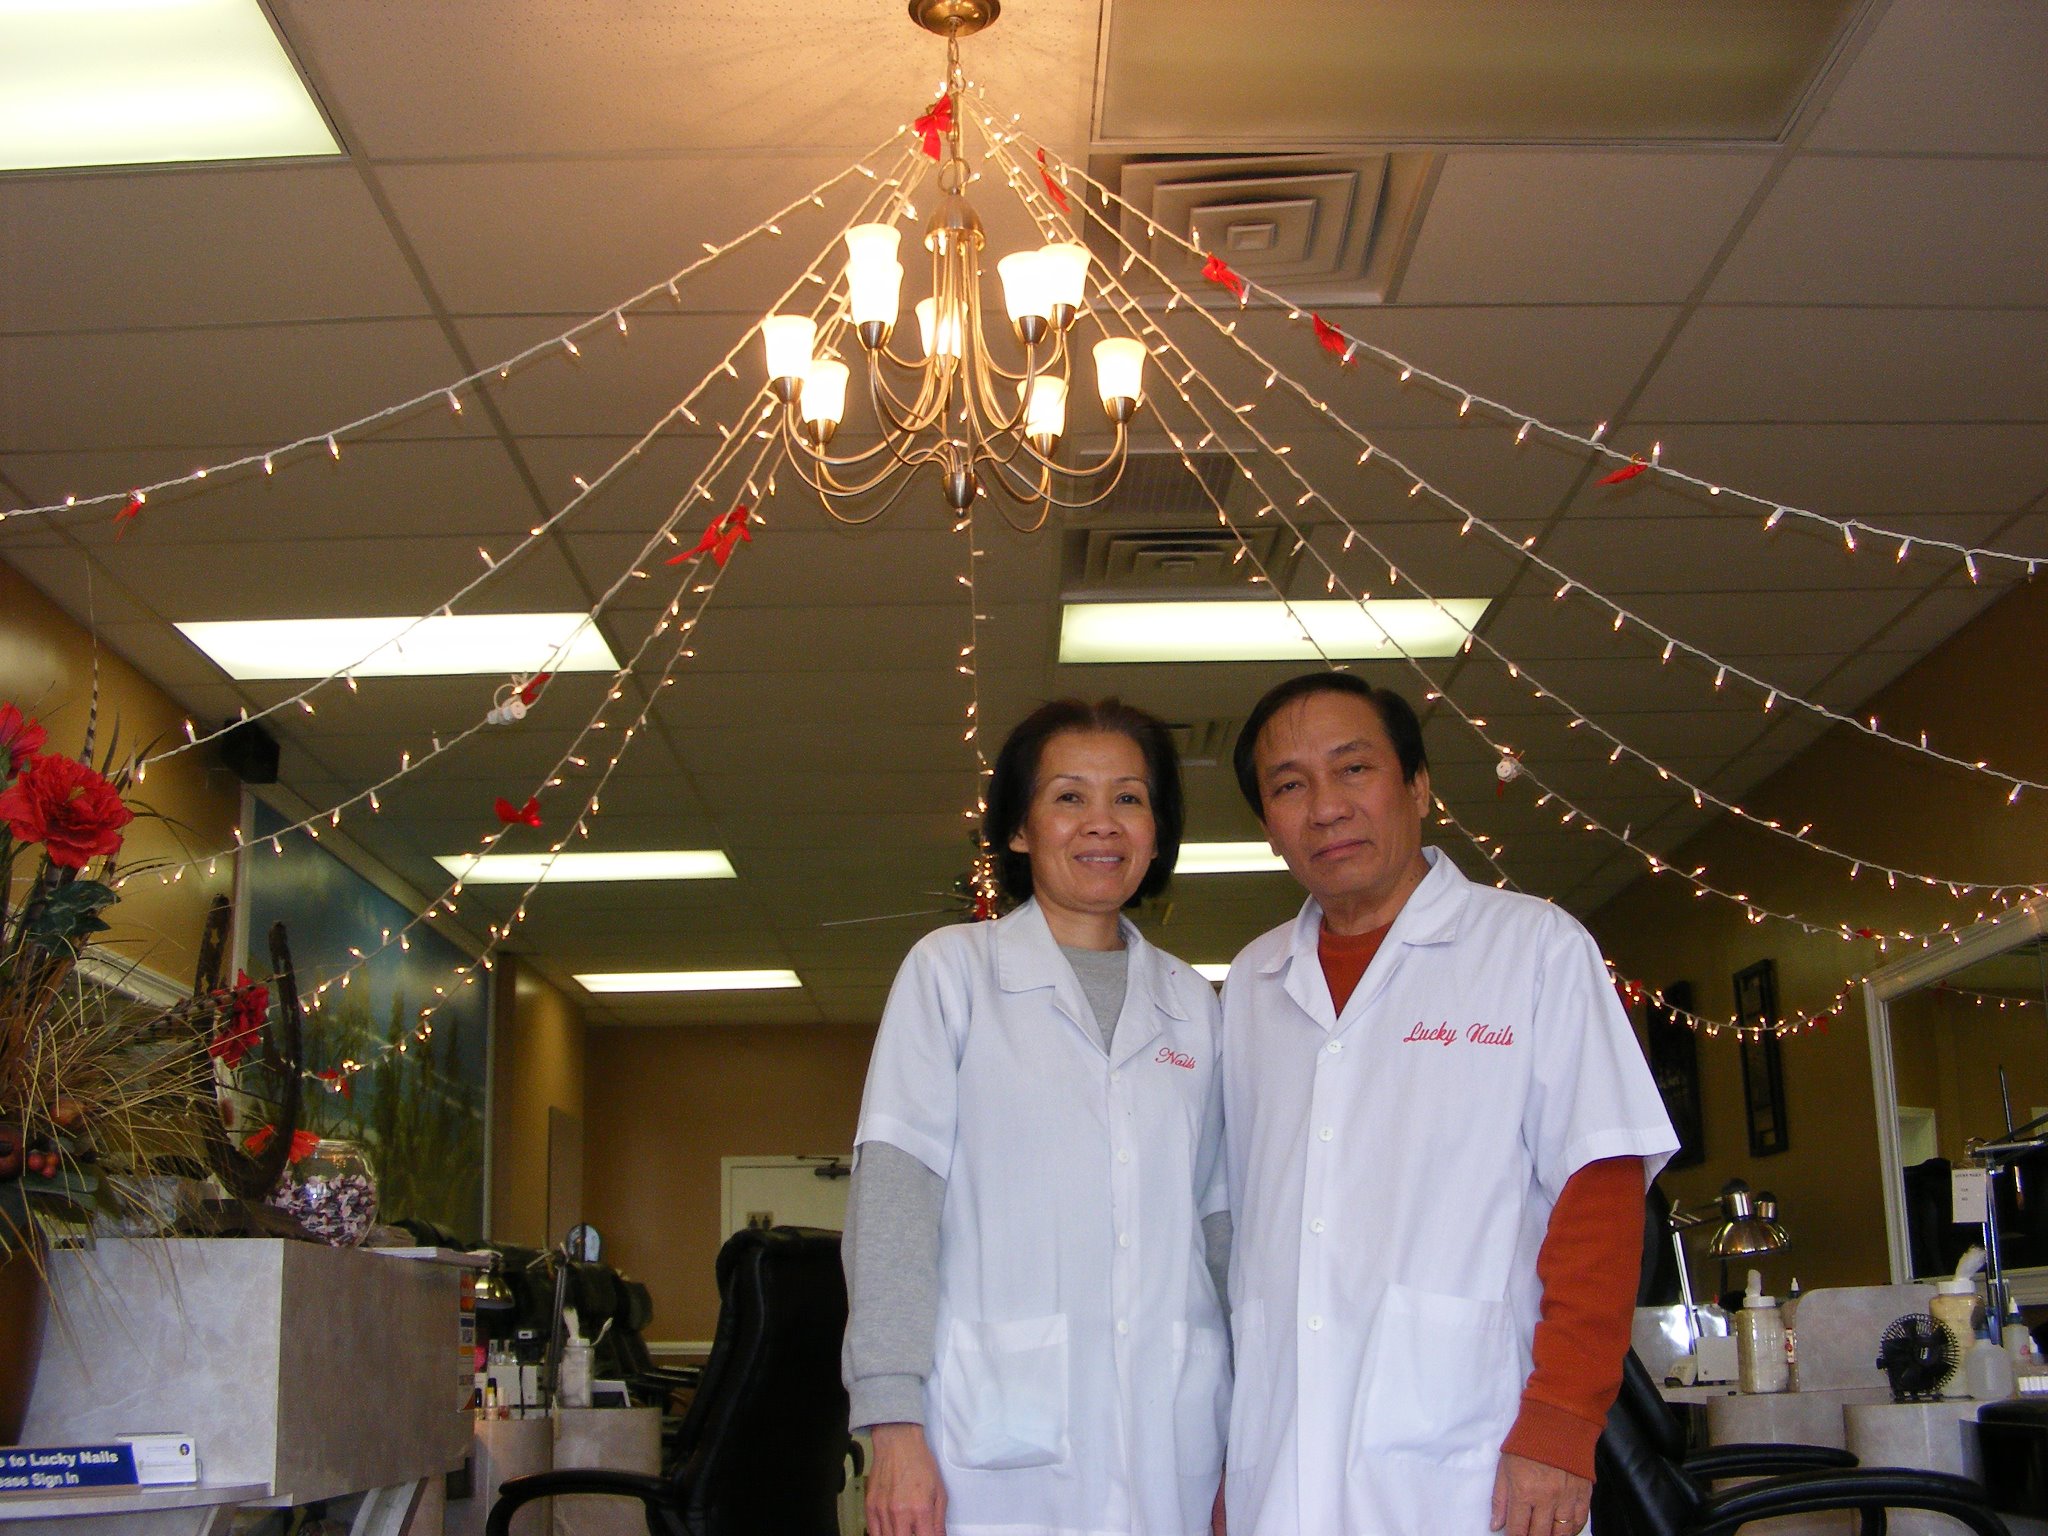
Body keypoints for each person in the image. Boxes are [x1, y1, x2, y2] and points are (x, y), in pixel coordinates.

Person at [1220, 673, 1677, 1536]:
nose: (1326, 807)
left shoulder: (1533, 947)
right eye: (1289, 786)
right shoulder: (1251, 983)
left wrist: (1562, 1422)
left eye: (1354, 769)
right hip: (1276, 1467)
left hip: (1475, 1462)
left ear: (1418, 786)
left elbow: (1600, 1194)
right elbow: (1243, 1228)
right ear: (1269, 826)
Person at [844, 698, 1230, 1536]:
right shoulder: (952, 974)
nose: (1102, 823)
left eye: (1129, 798)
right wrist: (893, 1421)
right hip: (992, 1435)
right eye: (1069, 797)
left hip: (1175, 1435)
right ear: (1019, 830)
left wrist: (1253, 1430)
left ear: (1157, 832)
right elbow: (895, 1202)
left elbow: (1220, 1224)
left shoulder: (1194, 1004)